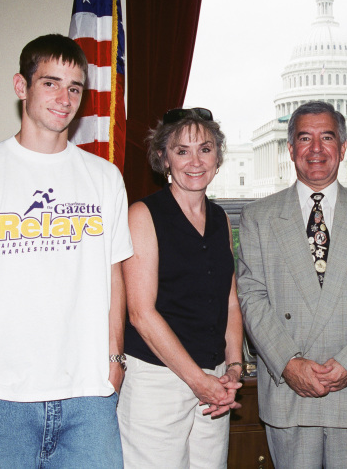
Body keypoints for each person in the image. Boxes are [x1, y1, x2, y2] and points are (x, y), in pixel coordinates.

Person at [0, 34, 132, 467]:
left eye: (75, 87)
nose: (64, 98)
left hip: (88, 400)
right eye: (50, 83)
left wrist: (114, 365)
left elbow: (113, 278)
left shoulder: (104, 177)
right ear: (22, 86)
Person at [237, 101, 347, 469]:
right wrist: (288, 364)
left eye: (327, 137)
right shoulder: (258, 218)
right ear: (291, 149)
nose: (316, 150)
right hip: (288, 388)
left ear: (343, 147)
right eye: (305, 138)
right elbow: (251, 297)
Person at [117, 107, 243, 468]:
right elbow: (141, 313)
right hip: (158, 381)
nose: (195, 161)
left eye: (205, 149)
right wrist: (198, 381)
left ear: (217, 157)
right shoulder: (142, 215)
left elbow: (230, 301)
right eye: (181, 150)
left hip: (214, 378)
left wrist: (233, 367)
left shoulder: (220, 218)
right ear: (163, 158)